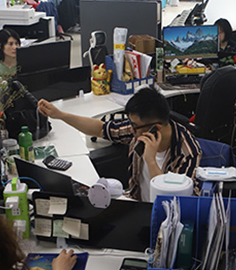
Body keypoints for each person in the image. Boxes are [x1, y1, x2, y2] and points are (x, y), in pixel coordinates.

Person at [38, 86, 202, 201]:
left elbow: (175, 202)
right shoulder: (139, 129)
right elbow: (100, 129)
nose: (131, 130)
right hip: (135, 205)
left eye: (134, 126)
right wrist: (60, 115)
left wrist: (151, 161)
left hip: (164, 220)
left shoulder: (188, 152)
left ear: (155, 128)